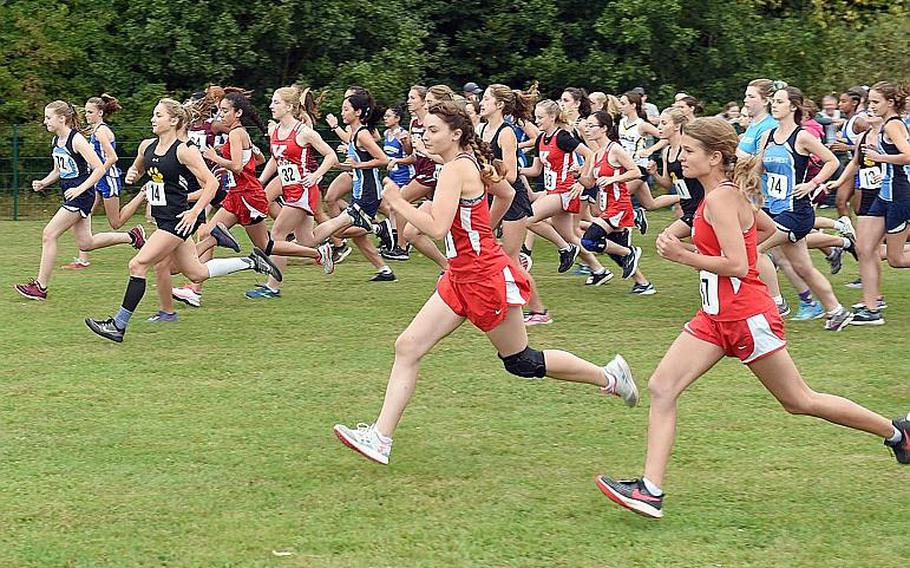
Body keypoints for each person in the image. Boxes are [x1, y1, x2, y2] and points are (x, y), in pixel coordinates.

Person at [594, 117, 910, 519]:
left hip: (745, 318)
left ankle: (898, 432)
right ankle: (650, 490)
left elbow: (739, 265)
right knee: (662, 387)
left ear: (713, 157)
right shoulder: (725, 196)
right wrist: (723, 241)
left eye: (689, 152)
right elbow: (769, 227)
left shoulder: (722, 199)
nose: (682, 157)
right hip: (714, 317)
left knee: (799, 401)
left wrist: (684, 255)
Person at [333, 100, 640, 465]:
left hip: (481, 278)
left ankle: (610, 376)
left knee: (522, 362)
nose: (426, 137)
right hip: (461, 274)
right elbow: (507, 195)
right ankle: (380, 438)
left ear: (456, 134)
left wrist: (397, 202)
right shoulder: (464, 164)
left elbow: (435, 228)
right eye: (425, 130)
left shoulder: (454, 170)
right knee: (408, 346)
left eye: (434, 131)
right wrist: (483, 234)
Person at [84, 99, 283, 342]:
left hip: (176, 222)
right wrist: (134, 174)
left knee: (137, 265)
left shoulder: (184, 150)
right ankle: (251, 262)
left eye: (158, 115)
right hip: (162, 219)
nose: (153, 119)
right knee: (196, 273)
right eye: (153, 115)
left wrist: (194, 211)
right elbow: (138, 169)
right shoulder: (147, 146)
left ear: (174, 121)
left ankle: (118, 325)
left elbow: (211, 183)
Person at [14, 101, 144, 301]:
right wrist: (44, 183)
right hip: (72, 193)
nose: (44, 121)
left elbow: (100, 168)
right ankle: (132, 237)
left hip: (81, 195)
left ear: (61, 118)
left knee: (49, 234)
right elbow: (59, 170)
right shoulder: (56, 141)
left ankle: (40, 287)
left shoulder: (77, 140)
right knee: (86, 243)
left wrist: (81, 188)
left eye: (48, 118)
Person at [755, 85, 853, 331]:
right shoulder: (767, 136)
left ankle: (776, 304)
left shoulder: (802, 137)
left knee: (755, 250)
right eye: (773, 102)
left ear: (793, 107)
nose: (774, 105)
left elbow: (831, 161)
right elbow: (757, 170)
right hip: (774, 209)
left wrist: (812, 184)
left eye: (779, 102)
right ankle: (836, 311)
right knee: (803, 268)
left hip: (796, 211)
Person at [63, 94, 147, 269]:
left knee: (115, 223)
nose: (87, 115)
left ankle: (142, 198)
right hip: (97, 179)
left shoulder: (101, 131)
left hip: (108, 179)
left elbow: (112, 157)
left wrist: (98, 170)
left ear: (100, 113)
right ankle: (82, 259)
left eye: (90, 112)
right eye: (86, 112)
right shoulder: (94, 130)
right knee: (82, 214)